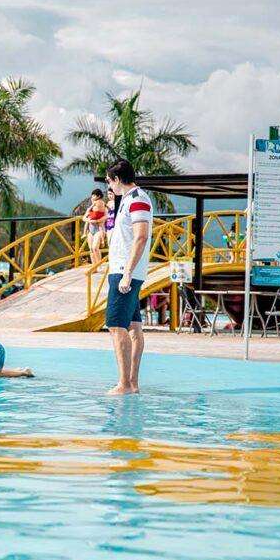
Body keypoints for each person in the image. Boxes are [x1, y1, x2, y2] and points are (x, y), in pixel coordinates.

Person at [104, 159, 153, 395]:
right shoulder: (128, 201)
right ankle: (132, 383)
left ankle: (123, 384)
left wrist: (127, 274)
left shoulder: (137, 199)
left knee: (116, 326)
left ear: (116, 179)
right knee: (133, 327)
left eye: (109, 181)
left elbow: (141, 237)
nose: (108, 186)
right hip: (124, 270)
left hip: (125, 272)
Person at [82, 188, 108, 265]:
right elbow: (84, 218)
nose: (92, 197)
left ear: (98, 196)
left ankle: (99, 264)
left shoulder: (102, 205)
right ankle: (94, 266)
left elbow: (106, 216)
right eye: (92, 196)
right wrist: (90, 220)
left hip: (98, 229)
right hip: (91, 229)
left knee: (95, 248)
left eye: (94, 195)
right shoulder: (90, 209)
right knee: (91, 249)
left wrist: (97, 220)